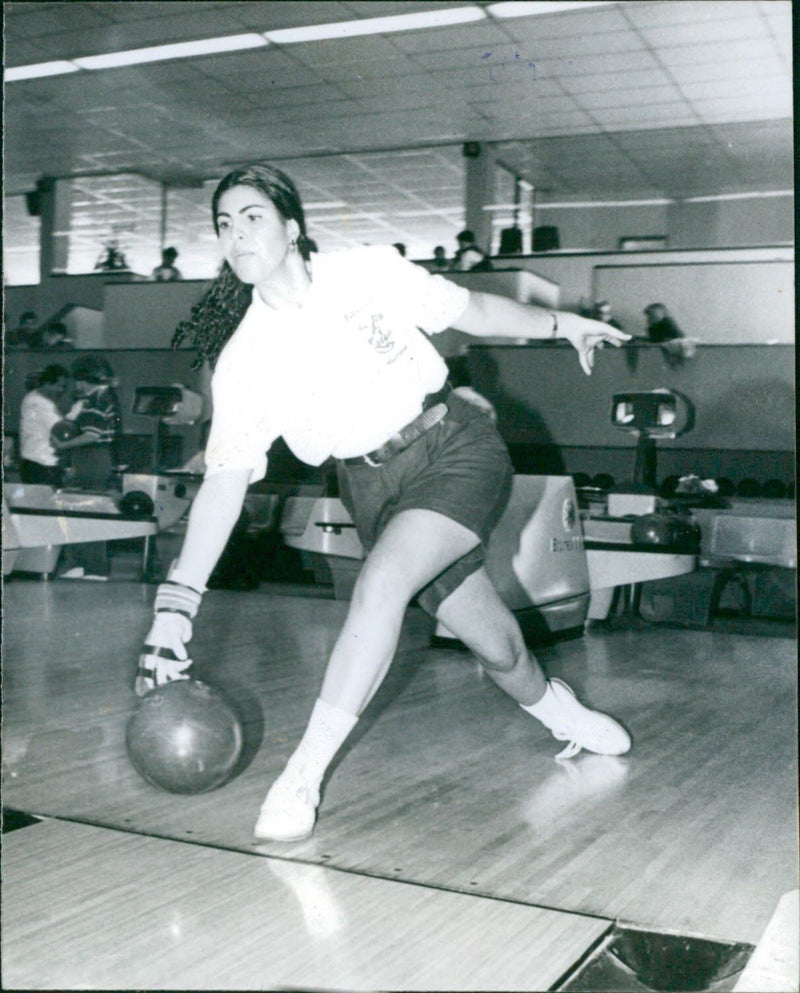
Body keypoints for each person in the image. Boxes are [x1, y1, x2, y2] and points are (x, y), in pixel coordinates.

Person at [137, 163, 632, 843]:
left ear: (292, 226)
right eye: (225, 224)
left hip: (455, 445)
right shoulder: (245, 359)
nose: (238, 234)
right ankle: (558, 710)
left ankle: (303, 774)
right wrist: (176, 605)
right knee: (500, 649)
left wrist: (559, 322)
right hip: (370, 487)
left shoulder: (366, 272)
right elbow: (225, 484)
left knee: (381, 585)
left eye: (253, 216)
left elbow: (475, 311)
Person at [58, 355, 122, 580]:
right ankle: (79, 564)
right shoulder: (97, 398)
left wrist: (63, 444)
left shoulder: (98, 400)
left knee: (89, 511)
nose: (75, 385)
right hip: (90, 458)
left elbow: (91, 435)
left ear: (84, 380)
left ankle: (95, 568)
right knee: (77, 509)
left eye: (77, 380)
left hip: (93, 458)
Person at [18, 364, 84, 487]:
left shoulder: (33, 398)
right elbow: (63, 429)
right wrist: (79, 407)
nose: (62, 391)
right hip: (41, 465)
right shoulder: (39, 404)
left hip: (36, 463)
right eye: (60, 386)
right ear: (47, 383)